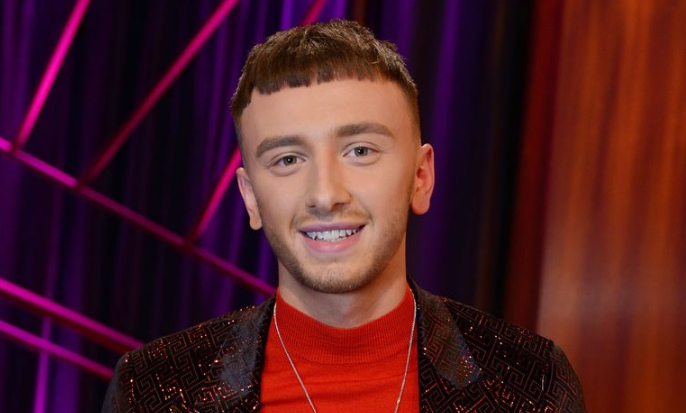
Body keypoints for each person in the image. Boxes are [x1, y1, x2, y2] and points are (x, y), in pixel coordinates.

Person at [102, 20, 585, 413]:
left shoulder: (531, 383)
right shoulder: (151, 390)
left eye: (360, 150)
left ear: (421, 177)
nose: (325, 194)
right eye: (288, 159)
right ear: (250, 198)